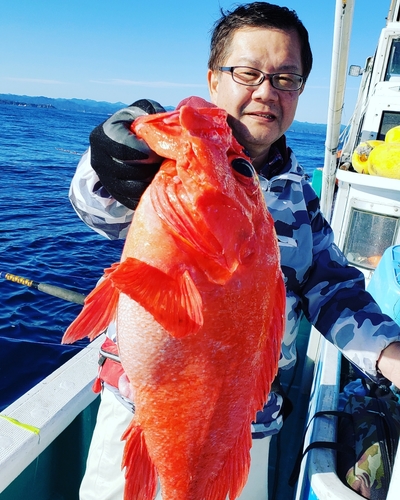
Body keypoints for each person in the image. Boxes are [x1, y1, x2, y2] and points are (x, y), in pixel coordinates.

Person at [69, 2, 400, 499]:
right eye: (248, 72)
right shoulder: (171, 162)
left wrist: (391, 354)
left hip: (244, 428)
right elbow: (96, 208)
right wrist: (112, 159)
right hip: (139, 414)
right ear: (214, 79)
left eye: (286, 78)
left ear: (300, 92)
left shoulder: (300, 195)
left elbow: (332, 287)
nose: (266, 91)